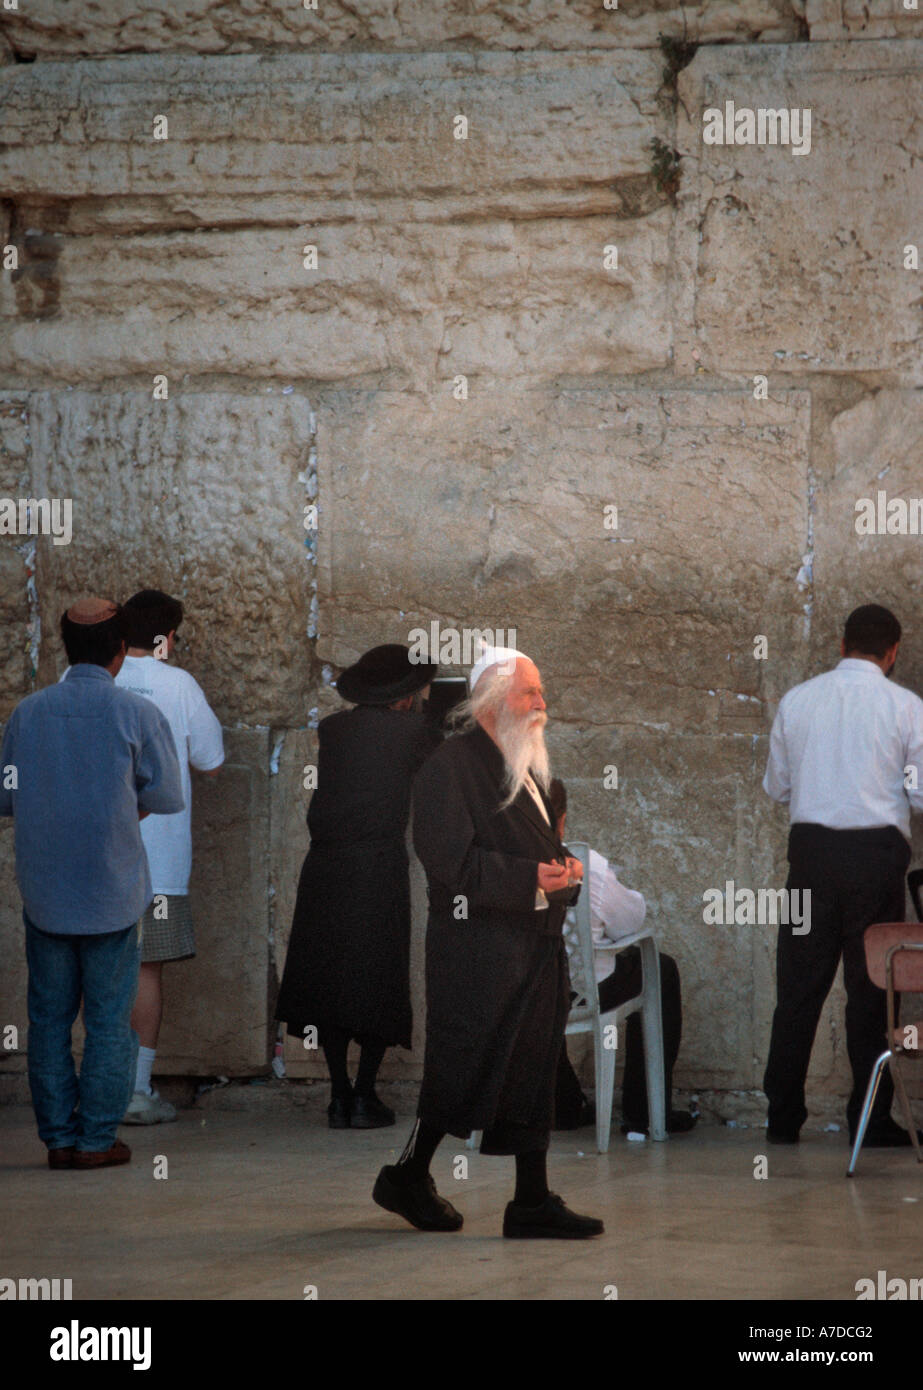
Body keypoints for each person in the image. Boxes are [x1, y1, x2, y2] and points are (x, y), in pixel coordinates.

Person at [373, 647, 604, 1239]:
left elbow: (538, 851)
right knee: (465, 1070)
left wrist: (563, 874)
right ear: (492, 702)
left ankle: (530, 1200)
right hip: (477, 952)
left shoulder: (526, 770)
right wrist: (529, 879)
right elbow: (448, 864)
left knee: (532, 1068)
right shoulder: (448, 768)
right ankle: (407, 1176)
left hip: (532, 944)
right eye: (530, 693)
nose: (541, 704)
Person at [0, 598, 184, 1169]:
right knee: (109, 1020)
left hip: (46, 889)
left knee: (48, 1018)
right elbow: (166, 796)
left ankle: (58, 1138)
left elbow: (6, 797)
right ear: (116, 654)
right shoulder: (136, 715)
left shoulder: (28, 714)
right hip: (113, 888)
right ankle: (98, 1140)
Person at [763, 604, 923, 1146]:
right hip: (875, 862)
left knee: (798, 991)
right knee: (873, 993)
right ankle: (870, 1120)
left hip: (810, 858)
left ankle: (782, 1119)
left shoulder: (797, 700)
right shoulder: (906, 707)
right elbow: (920, 792)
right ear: (893, 651)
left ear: (841, 644)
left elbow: (778, 788)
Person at [275, 644, 439, 1128]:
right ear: (405, 695)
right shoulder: (415, 732)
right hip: (376, 864)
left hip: (324, 866)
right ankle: (365, 1094)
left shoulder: (333, 728)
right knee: (376, 976)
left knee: (328, 977)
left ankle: (339, 1095)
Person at [114, 590, 224, 1124]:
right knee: (145, 969)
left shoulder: (84, 679)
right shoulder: (178, 684)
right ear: (169, 636)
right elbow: (210, 760)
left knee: (92, 967)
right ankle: (134, 1091)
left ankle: (95, 1088)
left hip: (91, 859)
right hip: (157, 859)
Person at [547, 778, 695, 1136]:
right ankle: (644, 1112)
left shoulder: (498, 864)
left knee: (543, 987)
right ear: (562, 820)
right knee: (660, 968)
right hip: (585, 991)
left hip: (523, 988)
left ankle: (563, 1104)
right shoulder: (585, 866)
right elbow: (631, 919)